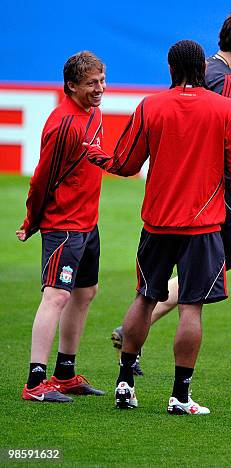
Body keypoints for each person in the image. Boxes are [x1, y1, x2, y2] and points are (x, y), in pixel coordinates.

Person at [110, 10, 231, 380]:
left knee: (186, 277)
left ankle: (133, 335)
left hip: (175, 203)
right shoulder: (222, 83)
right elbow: (217, 138)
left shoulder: (202, 74)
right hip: (213, 197)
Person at [85, 40, 231, 415]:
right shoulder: (224, 108)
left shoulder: (151, 105)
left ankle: (124, 383)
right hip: (202, 227)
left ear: (170, 69)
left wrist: (97, 155)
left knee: (145, 298)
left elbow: (127, 164)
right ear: (202, 69)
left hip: (158, 223)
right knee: (190, 308)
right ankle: (180, 396)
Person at [17, 51, 106, 403]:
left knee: (85, 293)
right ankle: (35, 383)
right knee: (55, 296)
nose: (99, 89)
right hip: (64, 226)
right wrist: (32, 221)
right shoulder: (63, 123)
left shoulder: (93, 114)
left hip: (88, 223)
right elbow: (41, 180)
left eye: (101, 80)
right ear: (71, 86)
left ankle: (65, 374)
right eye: (91, 84)